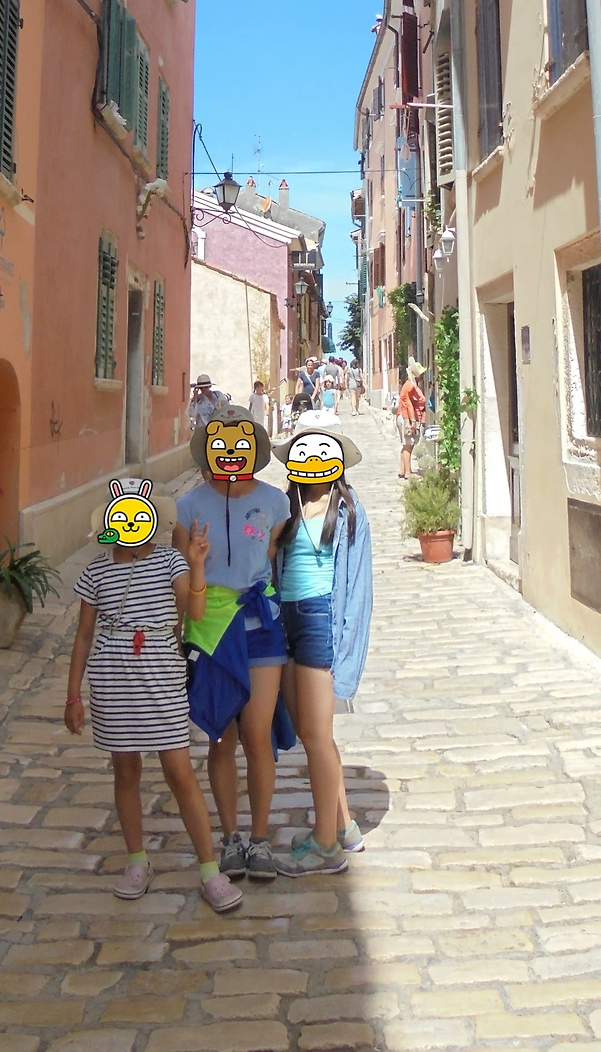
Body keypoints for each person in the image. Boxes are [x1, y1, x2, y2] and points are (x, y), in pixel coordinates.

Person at [64, 482, 242, 913]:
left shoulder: (169, 562)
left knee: (180, 773)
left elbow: (194, 612)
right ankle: (137, 861)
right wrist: (73, 695)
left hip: (161, 675)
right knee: (125, 771)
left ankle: (209, 872)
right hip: (112, 679)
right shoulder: (96, 572)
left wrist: (197, 565)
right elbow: (84, 635)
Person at [174, 412, 291, 883]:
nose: (229, 454)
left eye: (238, 446)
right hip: (210, 630)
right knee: (220, 737)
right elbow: (182, 577)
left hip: (260, 626)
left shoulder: (275, 502)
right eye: (219, 447)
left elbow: (268, 555)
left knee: (257, 735)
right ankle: (229, 839)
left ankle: (259, 839)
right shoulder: (188, 507)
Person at [271, 420, 373, 875]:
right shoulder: (290, 510)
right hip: (288, 623)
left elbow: (357, 592)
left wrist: (347, 664)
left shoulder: (348, 512)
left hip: (320, 625)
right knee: (314, 735)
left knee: (314, 737)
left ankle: (326, 846)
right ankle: (344, 826)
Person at [396, 360, 428, 480]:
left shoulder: (411, 385)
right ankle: (408, 473)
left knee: (406, 444)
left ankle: (403, 469)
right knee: (408, 444)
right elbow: (408, 404)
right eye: (421, 373)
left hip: (405, 416)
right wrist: (413, 421)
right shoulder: (410, 386)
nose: (423, 375)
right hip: (407, 417)